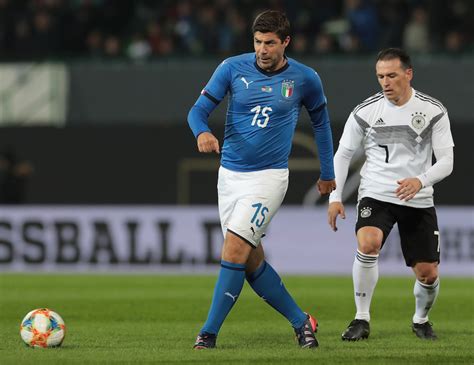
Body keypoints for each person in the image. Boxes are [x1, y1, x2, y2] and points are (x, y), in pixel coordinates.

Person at [187, 10, 336, 349]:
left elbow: (322, 126)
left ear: (286, 42)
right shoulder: (231, 68)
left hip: (268, 178)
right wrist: (202, 132)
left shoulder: (305, 78)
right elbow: (196, 111)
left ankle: (208, 334)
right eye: (257, 42)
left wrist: (328, 173)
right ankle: (302, 321)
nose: (263, 50)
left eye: (270, 43)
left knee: (235, 247)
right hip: (230, 178)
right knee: (250, 259)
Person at [328, 48, 454, 341]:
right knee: (368, 243)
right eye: (380, 76)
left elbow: (447, 161)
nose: (385, 82)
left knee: (428, 274)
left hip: (417, 198)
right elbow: (343, 155)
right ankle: (361, 318)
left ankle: (421, 320)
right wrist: (335, 198)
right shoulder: (366, 111)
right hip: (376, 193)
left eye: (392, 75)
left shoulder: (433, 110)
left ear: (408, 74)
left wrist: (420, 181)